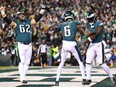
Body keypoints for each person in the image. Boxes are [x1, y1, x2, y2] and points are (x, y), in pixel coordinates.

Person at [0, 6, 46, 83]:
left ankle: (23, 76)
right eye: (20, 14)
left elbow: (37, 19)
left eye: (23, 14)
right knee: (22, 61)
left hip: (29, 44)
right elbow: (7, 20)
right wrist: (2, 12)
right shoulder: (16, 23)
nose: (22, 15)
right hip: (20, 44)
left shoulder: (28, 22)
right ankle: (22, 77)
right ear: (18, 16)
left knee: (27, 62)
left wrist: (42, 10)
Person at [83, 11, 116, 85]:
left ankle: (111, 76)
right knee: (88, 61)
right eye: (89, 19)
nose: (89, 20)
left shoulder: (99, 23)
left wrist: (87, 39)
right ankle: (88, 79)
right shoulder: (88, 24)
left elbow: (96, 33)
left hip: (99, 44)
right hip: (92, 44)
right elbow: (86, 33)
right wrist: (85, 39)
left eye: (91, 19)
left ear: (94, 18)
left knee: (101, 63)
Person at [55, 10, 86, 86]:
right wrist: (82, 33)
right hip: (72, 44)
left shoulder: (61, 24)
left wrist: (62, 34)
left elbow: (57, 31)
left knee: (61, 63)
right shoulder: (75, 22)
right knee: (80, 61)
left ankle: (57, 80)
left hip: (65, 44)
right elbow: (82, 33)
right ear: (72, 16)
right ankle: (84, 79)